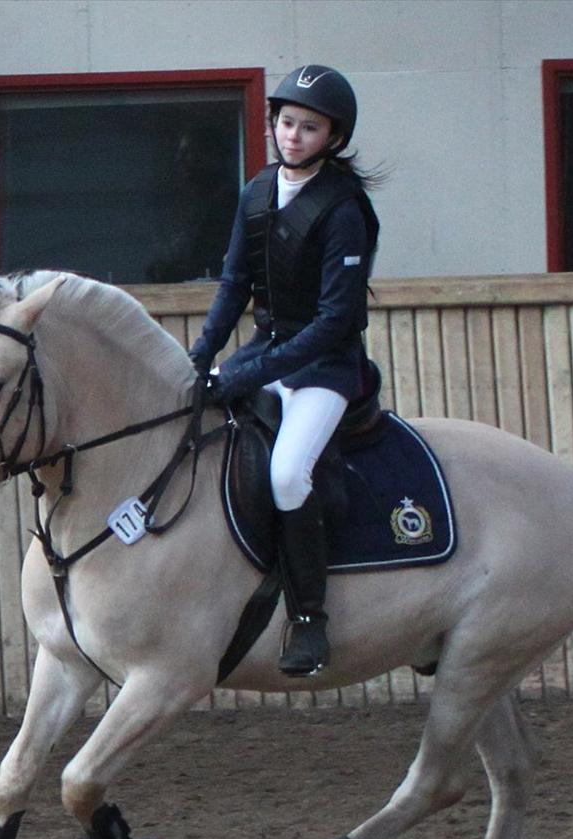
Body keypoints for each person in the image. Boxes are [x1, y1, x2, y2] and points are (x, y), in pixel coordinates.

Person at [189, 64, 381, 677]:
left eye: (309, 127)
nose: (293, 135)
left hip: (325, 366)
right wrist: (200, 358)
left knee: (288, 475)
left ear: (334, 137)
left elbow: (332, 322)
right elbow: (233, 284)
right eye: (287, 122)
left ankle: (308, 619)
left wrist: (245, 375)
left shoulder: (345, 210)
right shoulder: (256, 191)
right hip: (267, 348)